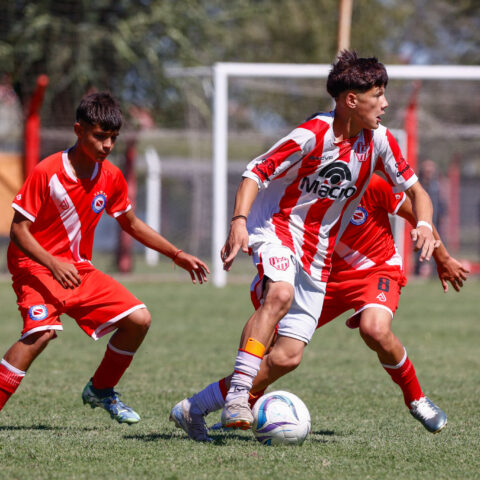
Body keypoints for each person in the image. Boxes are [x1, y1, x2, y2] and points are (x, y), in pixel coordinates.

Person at [170, 50, 437, 437]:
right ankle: (239, 396)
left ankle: (193, 408)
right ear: (351, 100)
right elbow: (255, 172)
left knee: (287, 357)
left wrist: (425, 224)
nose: (385, 103)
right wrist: (239, 222)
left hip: (317, 254)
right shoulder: (312, 134)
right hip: (276, 229)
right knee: (279, 293)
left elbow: (417, 192)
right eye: (378, 95)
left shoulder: (379, 141)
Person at [170, 174, 468, 441]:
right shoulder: (309, 188)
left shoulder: (372, 184)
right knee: (283, 357)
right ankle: (204, 406)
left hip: (375, 270)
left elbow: (417, 213)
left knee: (374, 329)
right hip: (322, 278)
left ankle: (416, 399)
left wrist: (442, 257)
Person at [0, 92, 209, 424]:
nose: (107, 145)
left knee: (139, 320)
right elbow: (18, 231)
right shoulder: (48, 171)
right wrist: (53, 262)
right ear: (78, 130)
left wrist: (177, 254)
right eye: (100, 136)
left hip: (77, 269)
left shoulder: (110, 176)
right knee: (40, 334)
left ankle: (101, 389)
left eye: (113, 137)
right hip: (34, 266)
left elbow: (131, 224)